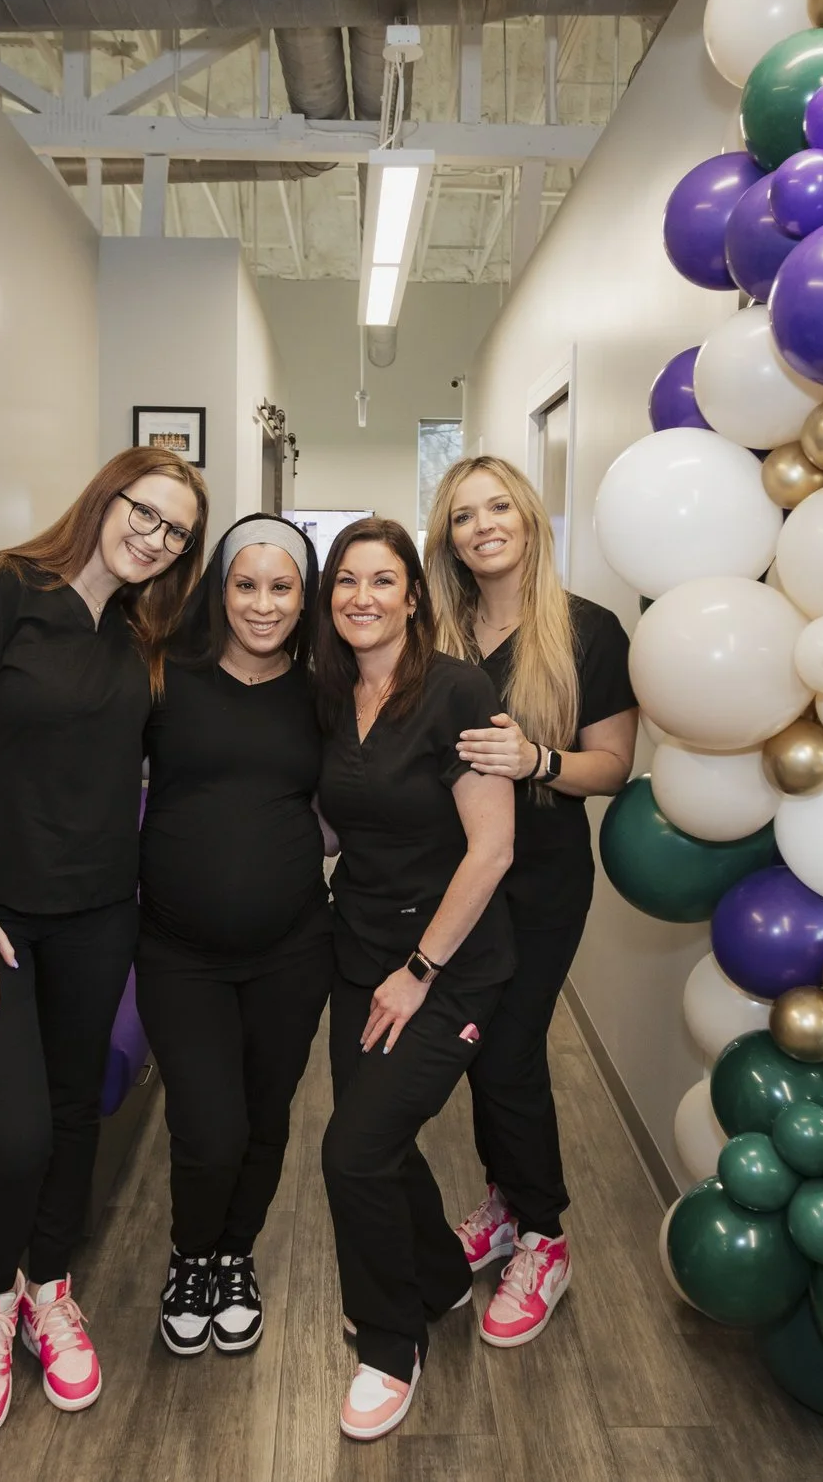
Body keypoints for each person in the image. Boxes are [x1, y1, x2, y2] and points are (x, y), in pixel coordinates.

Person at [0, 447, 207, 1440]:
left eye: (174, 532)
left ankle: (50, 1284)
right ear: (104, 495)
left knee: (75, 1114)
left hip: (95, 911)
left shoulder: (142, 632)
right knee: (11, 1133)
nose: (153, 537)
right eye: (145, 511)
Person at [423, 457, 636, 1349]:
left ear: (529, 517)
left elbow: (613, 764)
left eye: (498, 506)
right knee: (480, 1053)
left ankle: (545, 1235)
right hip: (452, 877)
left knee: (507, 1049)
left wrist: (538, 761)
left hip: (543, 878)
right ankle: (509, 1204)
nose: (483, 525)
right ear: (448, 535)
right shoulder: (435, 628)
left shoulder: (587, 630)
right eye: (464, 514)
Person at [313, 517, 516, 1442]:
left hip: (448, 964)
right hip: (356, 953)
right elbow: (337, 822)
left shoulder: (458, 690)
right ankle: (434, 1276)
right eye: (346, 580)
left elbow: (493, 847)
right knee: (376, 1141)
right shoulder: (329, 693)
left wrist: (420, 971)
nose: (362, 596)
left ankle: (392, 1346)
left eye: (382, 581)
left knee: (352, 1152)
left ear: (412, 596)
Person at [135, 514, 330, 1358]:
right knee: (207, 1127)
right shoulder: (164, 678)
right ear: (220, 590)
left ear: (304, 594)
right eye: (245, 585)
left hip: (292, 949)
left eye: (281, 585)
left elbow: (353, 802)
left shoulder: (324, 691)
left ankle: (233, 1256)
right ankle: (189, 1255)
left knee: (264, 1117)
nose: (262, 603)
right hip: (180, 953)